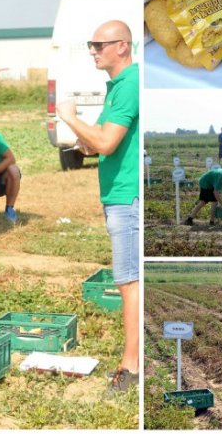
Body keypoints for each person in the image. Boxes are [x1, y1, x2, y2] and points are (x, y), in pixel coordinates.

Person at [56, 20, 139, 393]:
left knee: (129, 281)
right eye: (91, 45)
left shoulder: (130, 84)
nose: (92, 50)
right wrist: (83, 136)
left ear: (122, 46)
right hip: (118, 195)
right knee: (129, 279)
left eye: (98, 45)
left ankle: (131, 367)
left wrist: (70, 117)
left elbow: (104, 144)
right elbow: (98, 143)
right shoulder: (119, 87)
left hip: (127, 198)